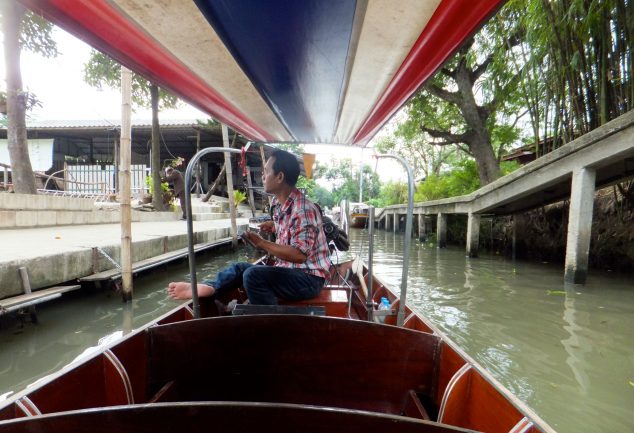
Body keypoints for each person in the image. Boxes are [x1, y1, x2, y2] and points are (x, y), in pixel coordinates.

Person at [167, 149, 332, 305]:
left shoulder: (304, 209)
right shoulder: (278, 203)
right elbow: (293, 227)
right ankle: (211, 287)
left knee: (253, 275)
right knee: (240, 268)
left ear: (280, 177)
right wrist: (274, 226)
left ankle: (269, 320)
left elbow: (299, 255)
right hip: (288, 271)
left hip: (309, 279)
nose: (263, 175)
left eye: (266, 171)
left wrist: (261, 243)